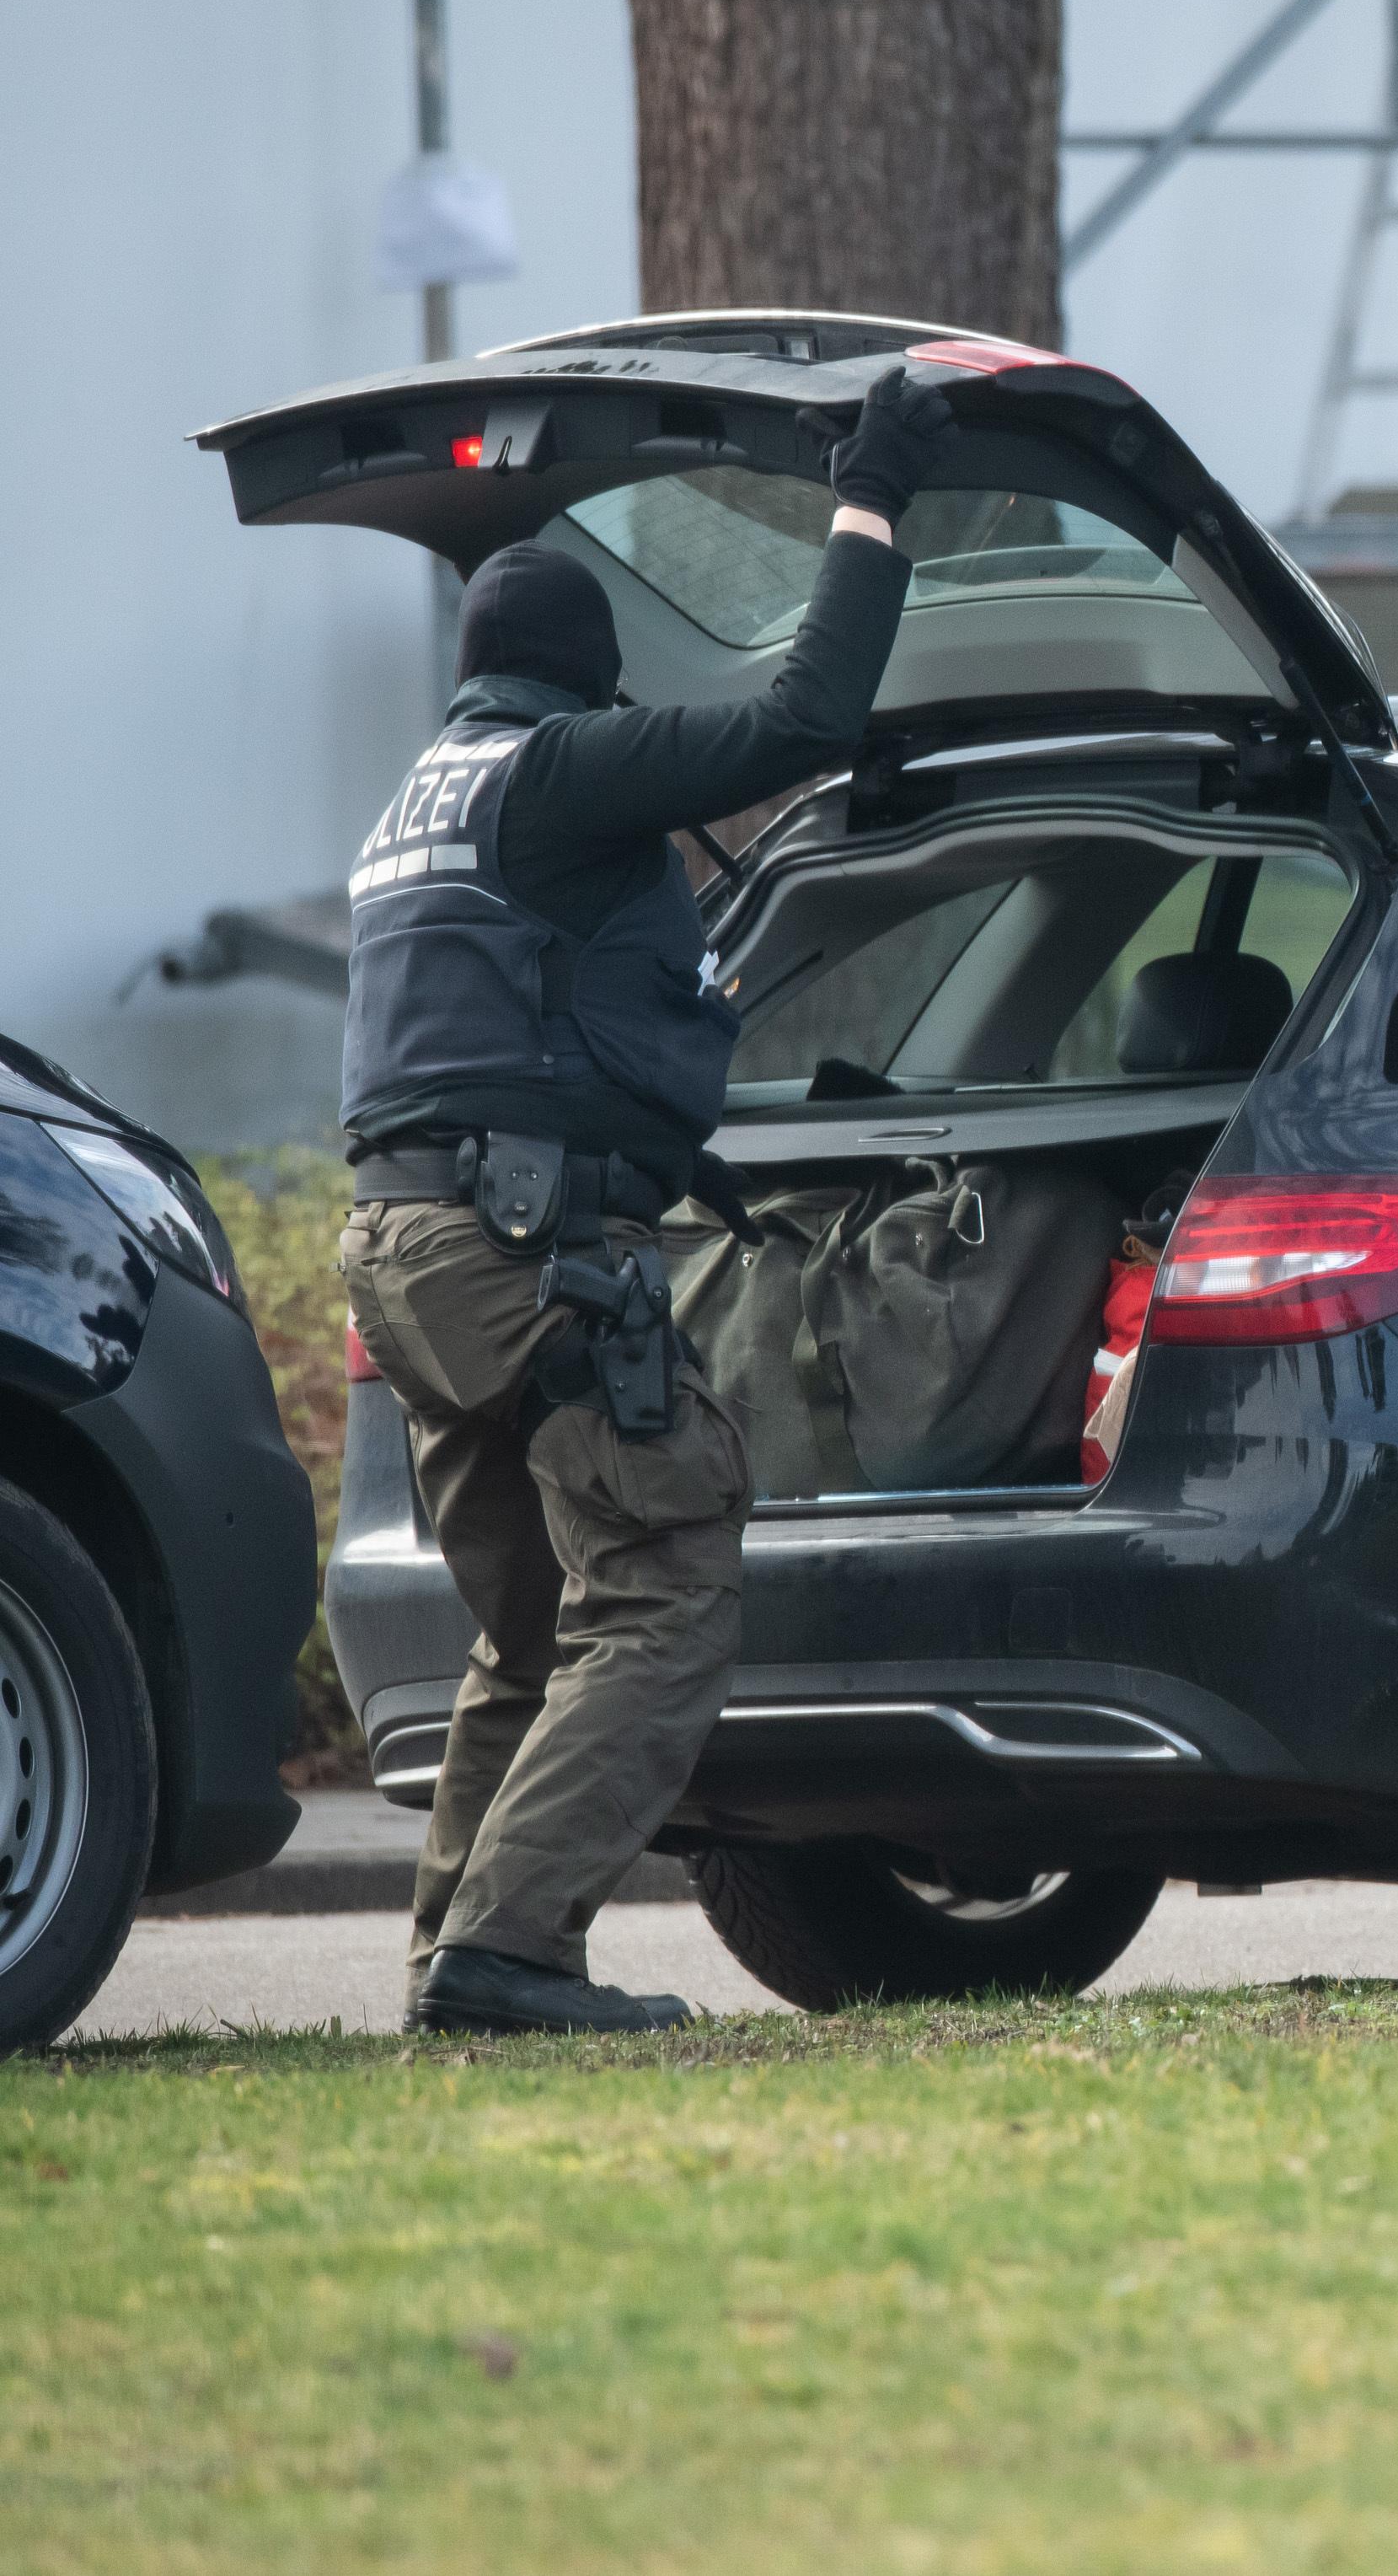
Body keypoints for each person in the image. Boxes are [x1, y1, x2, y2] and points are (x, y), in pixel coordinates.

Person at [338, 368, 956, 2033]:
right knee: (668, 1571)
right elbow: (803, 723)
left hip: (407, 1254)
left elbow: (504, 1031)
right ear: (586, 681)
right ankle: (514, 1955)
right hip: (516, 1246)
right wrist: (872, 499)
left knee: (530, 1625)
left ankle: (452, 1967)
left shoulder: (414, 810)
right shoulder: (552, 771)